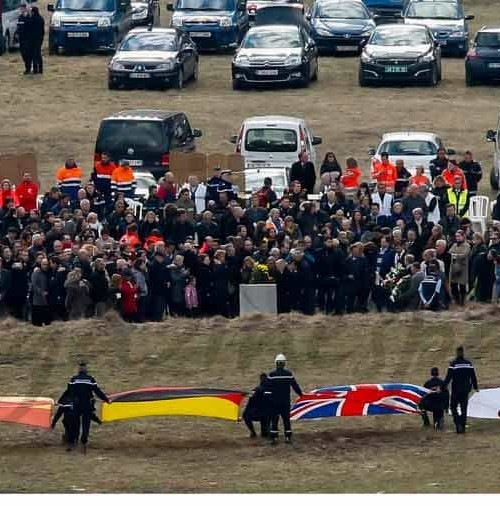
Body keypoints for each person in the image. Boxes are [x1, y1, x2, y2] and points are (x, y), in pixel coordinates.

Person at [60, 361, 110, 452]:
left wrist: (61, 401)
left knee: (74, 423)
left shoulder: (73, 379)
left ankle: (72, 441)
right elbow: (97, 391)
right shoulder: (90, 379)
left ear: (78, 369)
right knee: (86, 424)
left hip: (76, 404)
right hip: (86, 404)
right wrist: (106, 400)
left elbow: (68, 392)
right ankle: (83, 442)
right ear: (86, 369)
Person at [268, 354, 302, 445]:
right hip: (285, 402)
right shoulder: (288, 374)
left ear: (276, 363)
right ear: (284, 364)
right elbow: (295, 386)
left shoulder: (271, 375)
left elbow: (267, 388)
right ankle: (287, 437)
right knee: (286, 420)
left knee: (274, 420)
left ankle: (274, 438)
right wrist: (301, 395)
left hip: (274, 402)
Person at [443, 346, 479, 434]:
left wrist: (443, 387)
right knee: (464, 408)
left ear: (457, 353)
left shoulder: (453, 364)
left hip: (456, 389)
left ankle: (457, 422)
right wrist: (475, 387)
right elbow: (473, 376)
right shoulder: (468, 364)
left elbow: (448, 377)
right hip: (466, 389)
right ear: (463, 352)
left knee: (453, 407)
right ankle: (462, 426)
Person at [242, 373, 272, 439]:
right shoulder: (272, 389)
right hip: (267, 415)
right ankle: (267, 431)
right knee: (264, 434)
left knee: (245, 415)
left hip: (258, 413)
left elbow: (251, 399)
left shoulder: (257, 389)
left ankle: (253, 432)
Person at [420, 367, 449, 431]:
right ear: (438, 373)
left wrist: (423, 403)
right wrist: (446, 407)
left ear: (431, 374)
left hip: (431, 405)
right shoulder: (442, 383)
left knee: (420, 404)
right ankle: (439, 420)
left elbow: (423, 395)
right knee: (438, 417)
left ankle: (426, 422)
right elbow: (447, 395)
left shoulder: (427, 383)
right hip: (441, 405)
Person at [17, 3, 32, 74]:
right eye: (21, 8)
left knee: (27, 54)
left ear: (25, 8)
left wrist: (27, 17)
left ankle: (28, 68)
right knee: (23, 54)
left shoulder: (28, 17)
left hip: (27, 39)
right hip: (21, 39)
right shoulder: (20, 17)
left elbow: (30, 26)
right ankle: (27, 67)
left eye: (23, 8)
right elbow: (19, 26)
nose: (22, 10)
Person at [30, 6, 44, 74]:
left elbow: (30, 29)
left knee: (34, 55)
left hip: (33, 40)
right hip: (39, 39)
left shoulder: (32, 19)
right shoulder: (41, 19)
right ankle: (40, 69)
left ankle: (35, 69)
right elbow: (42, 31)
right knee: (38, 54)